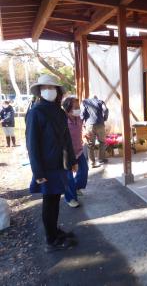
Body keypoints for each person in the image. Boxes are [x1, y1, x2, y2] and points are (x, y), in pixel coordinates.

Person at [26, 74, 78, 252]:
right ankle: (51, 240)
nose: (49, 91)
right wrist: (37, 172)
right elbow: (32, 145)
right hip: (46, 167)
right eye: (45, 88)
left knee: (56, 200)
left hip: (60, 164)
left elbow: (67, 139)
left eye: (52, 88)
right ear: (40, 91)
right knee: (49, 202)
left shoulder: (59, 111)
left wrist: (72, 160)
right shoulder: (35, 112)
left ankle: (55, 231)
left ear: (57, 91)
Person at [62, 96, 89, 208]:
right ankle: (70, 198)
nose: (79, 109)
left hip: (78, 150)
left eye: (79, 107)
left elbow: (80, 130)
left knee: (84, 171)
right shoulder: (63, 121)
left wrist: (85, 134)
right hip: (67, 153)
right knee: (69, 178)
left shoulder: (78, 118)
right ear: (68, 108)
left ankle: (77, 188)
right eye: (76, 107)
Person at [80, 95, 109, 167]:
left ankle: (92, 162)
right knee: (102, 142)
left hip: (89, 125)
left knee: (90, 144)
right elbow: (106, 110)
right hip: (100, 124)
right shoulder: (100, 101)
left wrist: (81, 123)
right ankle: (101, 158)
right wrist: (104, 118)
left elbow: (82, 113)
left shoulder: (85, 102)